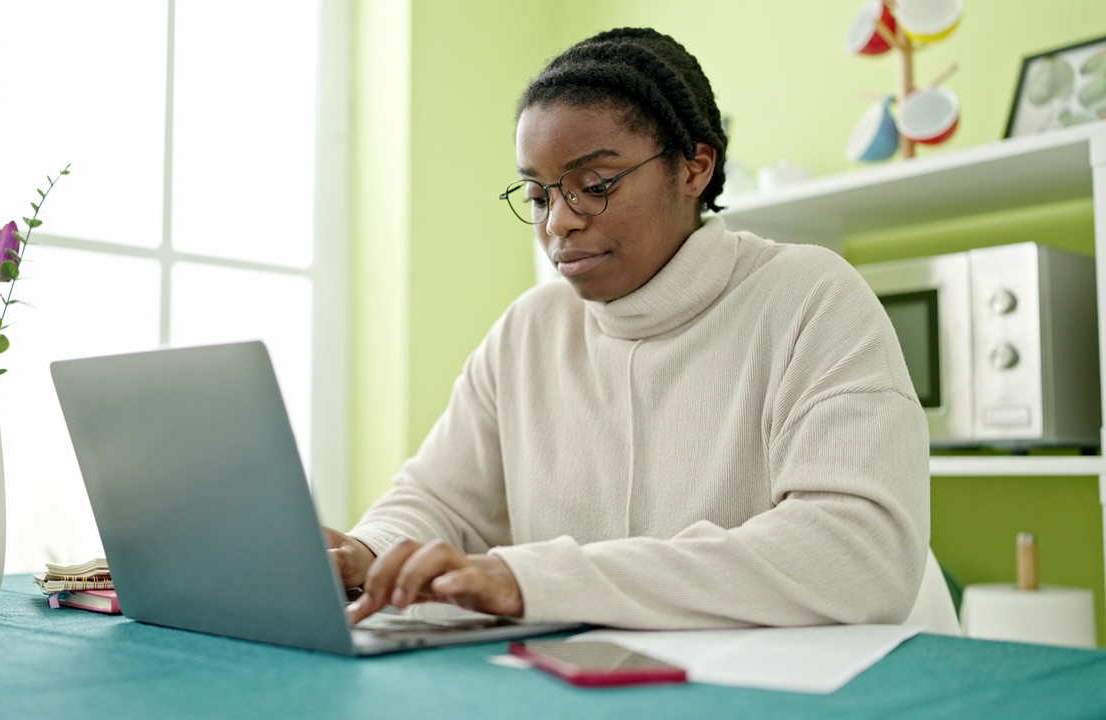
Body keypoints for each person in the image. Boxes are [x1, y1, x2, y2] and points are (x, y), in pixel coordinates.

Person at [329, 27, 929, 630]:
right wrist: (368, 552)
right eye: (539, 197)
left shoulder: (808, 297)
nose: (558, 223)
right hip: (579, 686)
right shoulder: (529, 332)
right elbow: (437, 498)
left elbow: (856, 556)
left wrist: (531, 581)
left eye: (594, 186)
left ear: (695, 167)